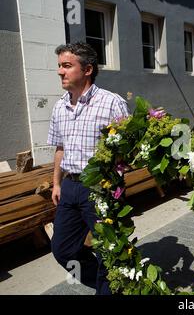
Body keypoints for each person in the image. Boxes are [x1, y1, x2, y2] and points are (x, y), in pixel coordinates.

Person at [47, 42, 130, 295]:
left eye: (67, 66)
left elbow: (128, 149)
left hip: (100, 189)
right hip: (70, 187)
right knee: (62, 249)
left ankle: (109, 288)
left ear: (87, 69)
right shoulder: (60, 106)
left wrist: (114, 177)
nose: (60, 72)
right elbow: (59, 148)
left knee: (108, 249)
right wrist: (57, 183)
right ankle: (111, 283)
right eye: (60, 66)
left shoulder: (111, 103)